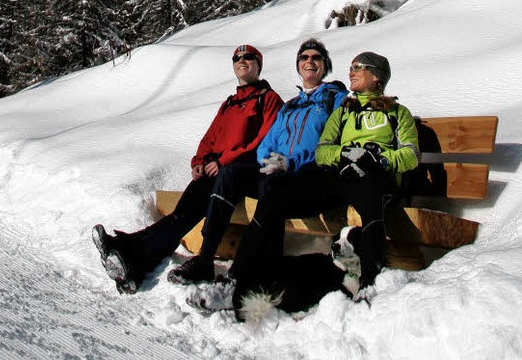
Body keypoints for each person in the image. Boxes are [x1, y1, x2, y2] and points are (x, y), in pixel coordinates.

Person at [230, 51, 419, 313]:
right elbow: (323, 150)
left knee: (371, 197)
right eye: (350, 66)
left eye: (358, 67)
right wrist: (342, 154)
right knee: (276, 198)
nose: (351, 71)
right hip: (340, 175)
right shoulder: (344, 112)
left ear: (376, 77)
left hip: (376, 176)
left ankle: (368, 281)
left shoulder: (398, 113)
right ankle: (237, 278)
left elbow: (410, 155)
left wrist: (378, 158)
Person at [92, 45, 283, 294]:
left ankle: (125, 250)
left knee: (182, 217)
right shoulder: (230, 103)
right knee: (180, 218)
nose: (242, 61)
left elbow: (262, 140)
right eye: (237, 58)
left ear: (259, 65)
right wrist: (199, 162)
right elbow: (210, 138)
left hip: (237, 174)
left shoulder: (268, 99)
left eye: (249, 58)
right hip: (213, 171)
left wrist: (224, 161)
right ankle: (132, 265)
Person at [167, 38, 348, 285]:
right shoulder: (291, 106)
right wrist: (267, 160)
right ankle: (205, 257)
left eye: (316, 57)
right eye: (304, 58)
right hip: (277, 170)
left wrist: (290, 162)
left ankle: (244, 275)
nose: (309, 61)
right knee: (231, 173)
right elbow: (268, 141)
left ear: (325, 65)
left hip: (308, 174)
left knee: (272, 188)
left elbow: (331, 141)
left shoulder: (336, 99)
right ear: (298, 66)